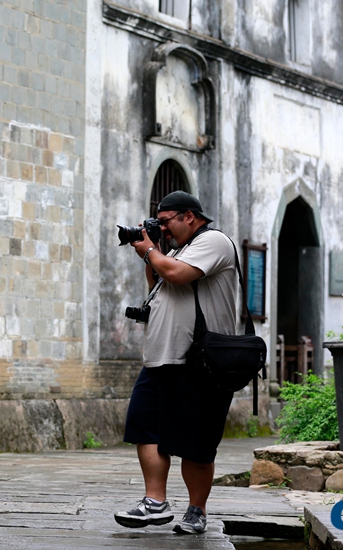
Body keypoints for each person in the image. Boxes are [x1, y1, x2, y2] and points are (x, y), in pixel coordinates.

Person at [114, 191, 238, 535]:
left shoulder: (213, 241)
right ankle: (155, 502)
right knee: (143, 427)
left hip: (200, 360)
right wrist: (152, 256)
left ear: (189, 216)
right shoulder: (174, 251)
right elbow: (162, 281)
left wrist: (150, 250)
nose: (163, 229)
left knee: (196, 444)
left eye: (166, 221)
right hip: (160, 357)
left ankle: (196, 511)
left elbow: (178, 275)